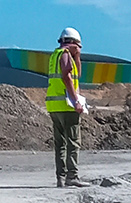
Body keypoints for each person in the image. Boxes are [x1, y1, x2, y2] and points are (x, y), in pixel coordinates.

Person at [47, 28, 89, 188]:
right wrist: (76, 100)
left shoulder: (54, 55)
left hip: (54, 105)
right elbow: (66, 75)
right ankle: (72, 176)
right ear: (72, 43)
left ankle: (61, 177)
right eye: (78, 46)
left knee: (60, 143)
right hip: (66, 105)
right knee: (73, 142)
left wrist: (77, 56)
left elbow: (77, 75)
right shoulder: (65, 56)